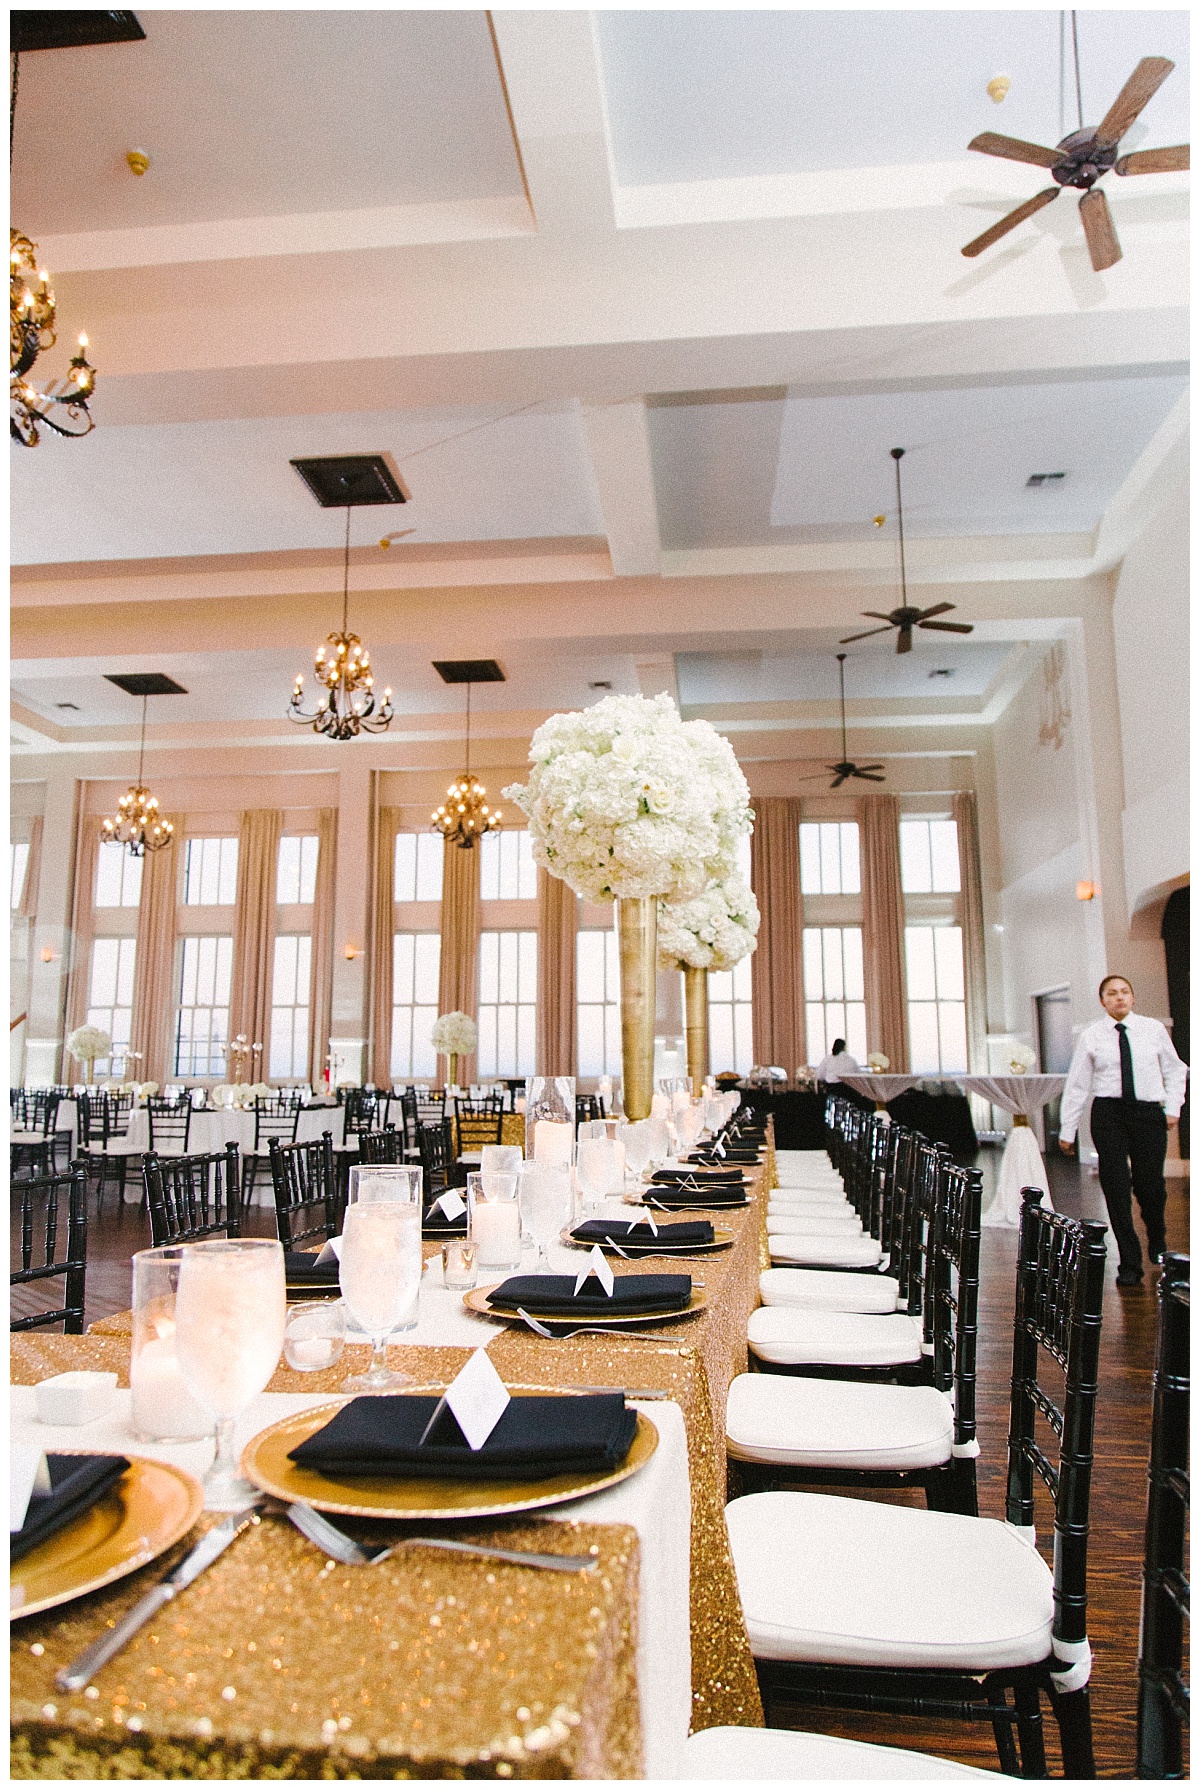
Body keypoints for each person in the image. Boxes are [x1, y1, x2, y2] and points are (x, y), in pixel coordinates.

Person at [1059, 975, 1188, 1286]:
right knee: (1116, 1188)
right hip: (1108, 1114)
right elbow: (1077, 1084)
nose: (1119, 998)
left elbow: (1176, 1069)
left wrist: (1173, 1108)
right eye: (1112, 994)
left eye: (1124, 992)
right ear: (1103, 1001)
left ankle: (1157, 1237)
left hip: (1147, 1114)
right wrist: (1068, 1129)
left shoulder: (1152, 1030)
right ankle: (1130, 1264)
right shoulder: (1092, 1036)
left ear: (1133, 997)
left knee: (1150, 1187)